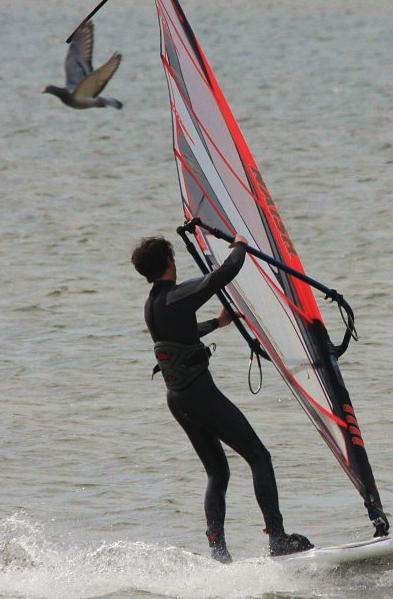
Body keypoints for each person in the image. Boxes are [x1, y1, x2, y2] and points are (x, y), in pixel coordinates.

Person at [131, 234, 313, 563]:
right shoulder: (177, 295)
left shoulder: (153, 304)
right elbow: (224, 274)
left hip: (178, 398)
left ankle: (218, 550)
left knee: (218, 472)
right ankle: (278, 539)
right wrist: (241, 244)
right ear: (170, 261)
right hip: (199, 394)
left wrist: (216, 323)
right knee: (259, 456)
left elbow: (179, 333)